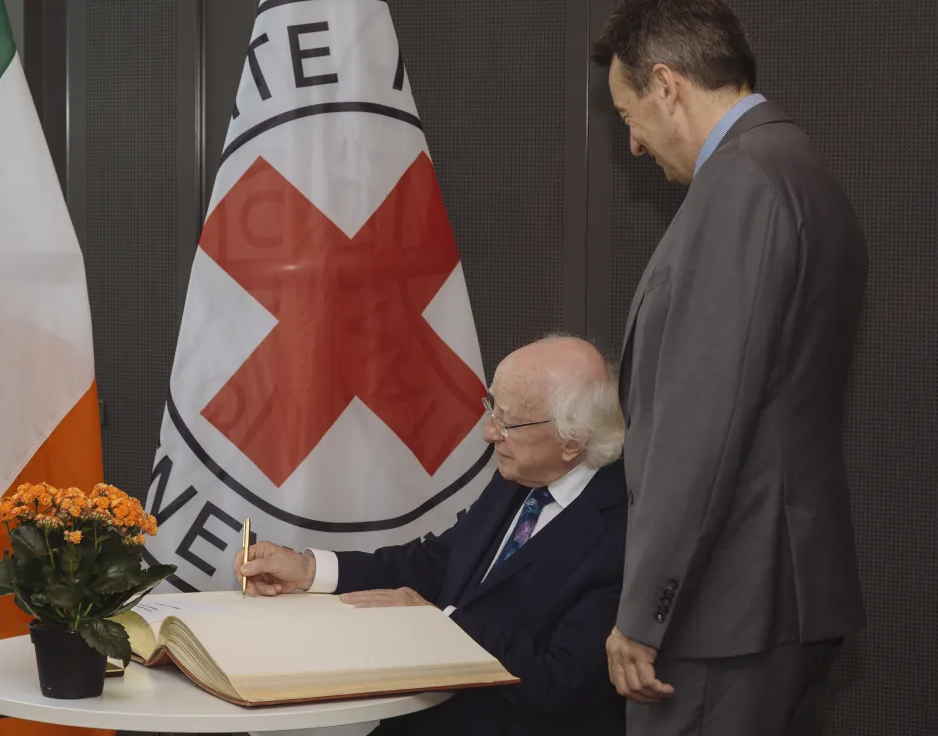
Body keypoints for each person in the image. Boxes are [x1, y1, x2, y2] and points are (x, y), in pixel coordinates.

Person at [591, 1, 869, 734]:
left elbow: (700, 423)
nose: (634, 146)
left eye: (629, 114)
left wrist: (646, 609)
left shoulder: (741, 185)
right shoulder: (802, 170)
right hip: (773, 596)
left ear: (668, 85)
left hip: (722, 612)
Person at [234, 335, 628, 735]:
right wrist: (307, 570)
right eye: (491, 407)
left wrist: (441, 623)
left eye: (507, 422)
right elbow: (436, 564)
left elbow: (561, 681)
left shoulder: (622, 534)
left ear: (572, 441)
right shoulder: (520, 477)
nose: (488, 433)